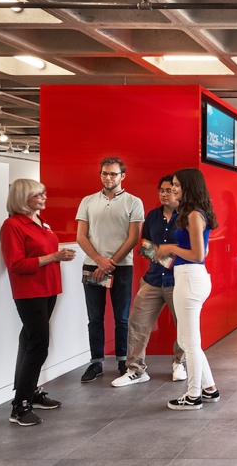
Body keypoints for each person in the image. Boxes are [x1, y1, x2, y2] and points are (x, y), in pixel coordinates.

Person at [0, 179, 76, 426]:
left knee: (29, 340)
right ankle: (19, 406)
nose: (43, 199)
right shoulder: (13, 226)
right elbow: (16, 264)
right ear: (23, 198)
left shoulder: (40, 223)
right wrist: (53, 256)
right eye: (37, 196)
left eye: (43, 194)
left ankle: (29, 392)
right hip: (30, 291)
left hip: (48, 288)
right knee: (39, 345)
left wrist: (55, 257)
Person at [153, 168, 219, 410]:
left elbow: (198, 255)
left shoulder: (193, 215)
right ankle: (209, 388)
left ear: (189, 187)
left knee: (189, 342)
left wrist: (169, 248)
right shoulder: (194, 213)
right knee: (188, 339)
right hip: (190, 278)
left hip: (190, 278)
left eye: (177, 185)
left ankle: (193, 395)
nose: (173, 190)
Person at [112, 175, 187, 387]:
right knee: (137, 323)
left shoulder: (186, 217)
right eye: (162, 190)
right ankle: (136, 370)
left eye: (170, 190)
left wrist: (170, 254)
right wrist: (150, 250)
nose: (165, 194)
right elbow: (144, 241)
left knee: (183, 324)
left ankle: (180, 363)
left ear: (178, 191)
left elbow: (194, 250)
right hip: (153, 279)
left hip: (177, 280)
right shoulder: (152, 216)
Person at [76, 157, 144, 381]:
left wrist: (110, 263)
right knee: (94, 318)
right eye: (104, 173)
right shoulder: (87, 201)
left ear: (122, 176)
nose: (108, 177)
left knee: (122, 318)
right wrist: (98, 260)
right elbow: (81, 236)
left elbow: (133, 238)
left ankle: (123, 362)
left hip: (121, 268)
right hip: (92, 267)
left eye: (113, 174)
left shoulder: (134, 202)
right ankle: (96, 363)